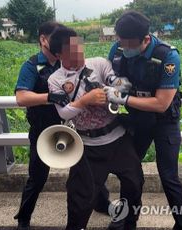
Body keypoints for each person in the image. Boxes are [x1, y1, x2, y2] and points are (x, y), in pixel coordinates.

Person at [48, 26, 143, 230]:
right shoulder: (55, 80)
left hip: (117, 139)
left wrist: (115, 88)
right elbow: (63, 112)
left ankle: (127, 223)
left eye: (80, 47)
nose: (79, 54)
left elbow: (118, 82)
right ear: (58, 55)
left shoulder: (99, 63)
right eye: (72, 52)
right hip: (87, 145)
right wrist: (85, 101)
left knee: (135, 182)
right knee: (80, 198)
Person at [105, 10, 182, 230]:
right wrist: (116, 92)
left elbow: (161, 103)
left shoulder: (167, 56)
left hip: (165, 123)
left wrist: (123, 98)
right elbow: (116, 81)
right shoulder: (118, 49)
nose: (125, 49)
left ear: (145, 39)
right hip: (137, 121)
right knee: (129, 172)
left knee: (169, 176)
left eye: (129, 45)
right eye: (121, 43)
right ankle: (126, 220)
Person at [13, 21, 71, 230]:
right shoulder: (32, 65)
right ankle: (23, 218)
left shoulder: (65, 62)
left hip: (69, 126)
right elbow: (21, 97)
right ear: (43, 39)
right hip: (43, 130)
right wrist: (49, 97)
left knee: (86, 169)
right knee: (37, 177)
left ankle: (101, 203)